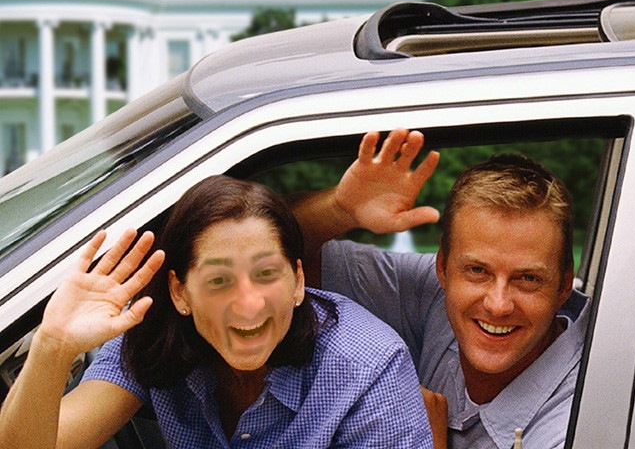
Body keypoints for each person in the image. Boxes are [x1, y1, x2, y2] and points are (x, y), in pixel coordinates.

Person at [0, 175, 434, 449]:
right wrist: (53, 346)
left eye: (266, 274)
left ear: (298, 281)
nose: (247, 302)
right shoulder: (155, 332)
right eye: (218, 280)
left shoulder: (366, 366)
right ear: (180, 292)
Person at [290, 129, 591, 449]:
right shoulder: (433, 293)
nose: (498, 305)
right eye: (478, 271)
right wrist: (338, 210)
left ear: (563, 284)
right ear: (442, 267)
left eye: (527, 279)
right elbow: (275, 260)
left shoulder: (579, 423)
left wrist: (424, 441)